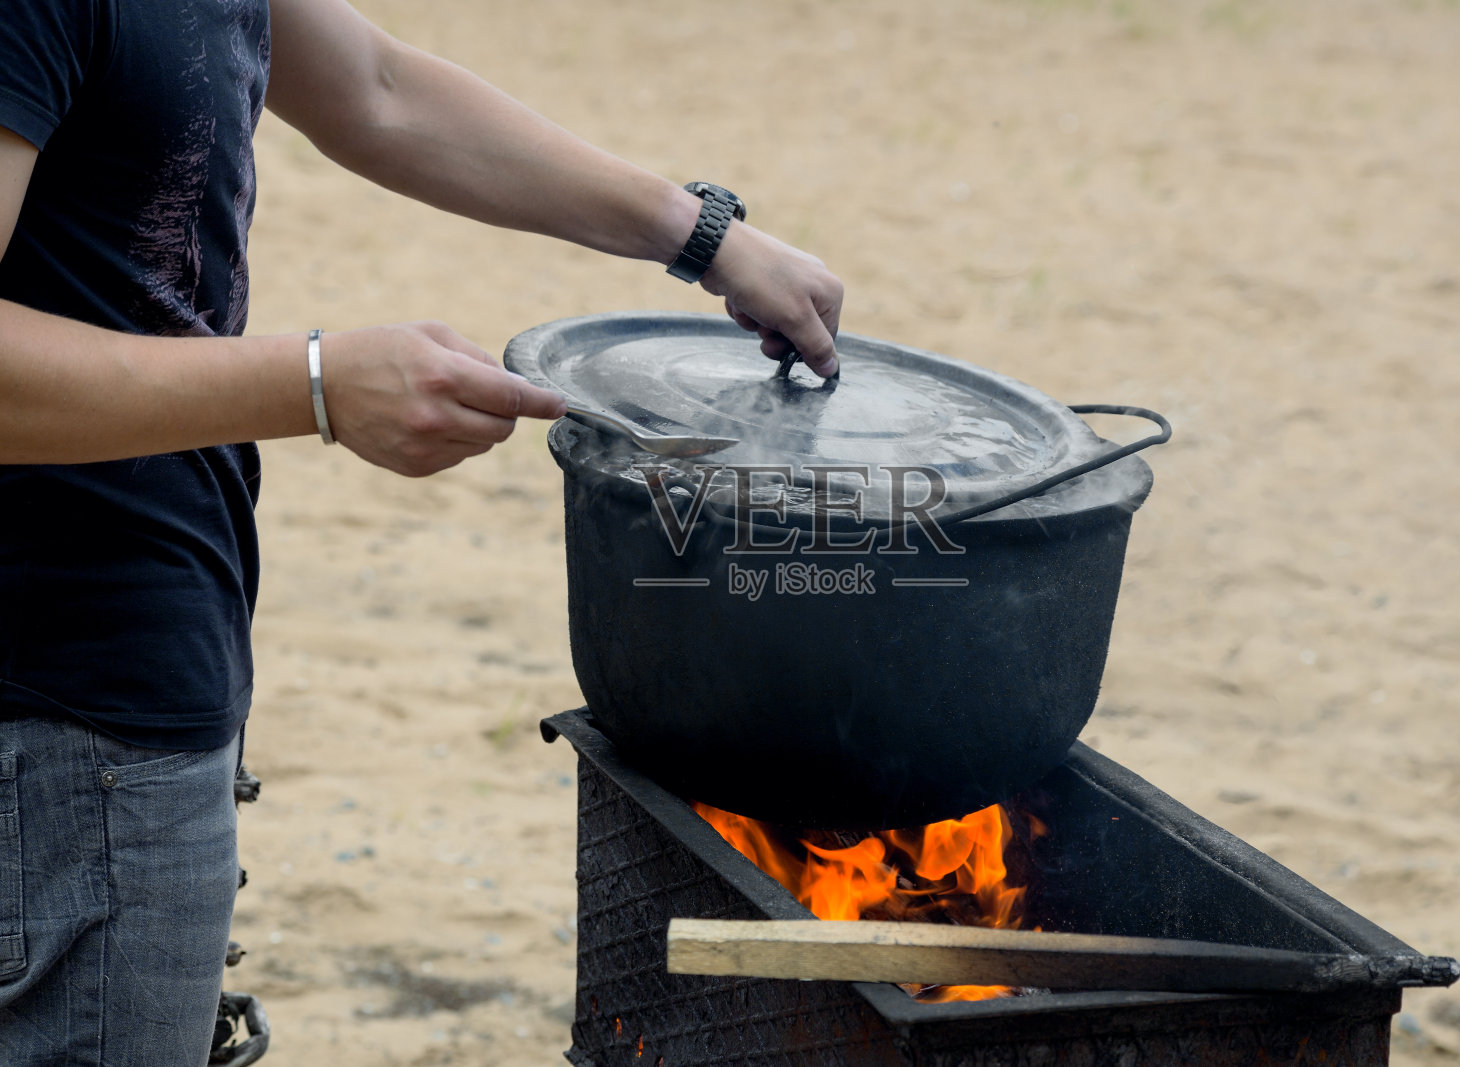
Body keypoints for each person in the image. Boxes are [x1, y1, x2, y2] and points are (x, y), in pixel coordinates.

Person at [0, 0, 844, 1062]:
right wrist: (314, 383)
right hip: (62, 702)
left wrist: (703, 234)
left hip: (133, 651)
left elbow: (376, 89)